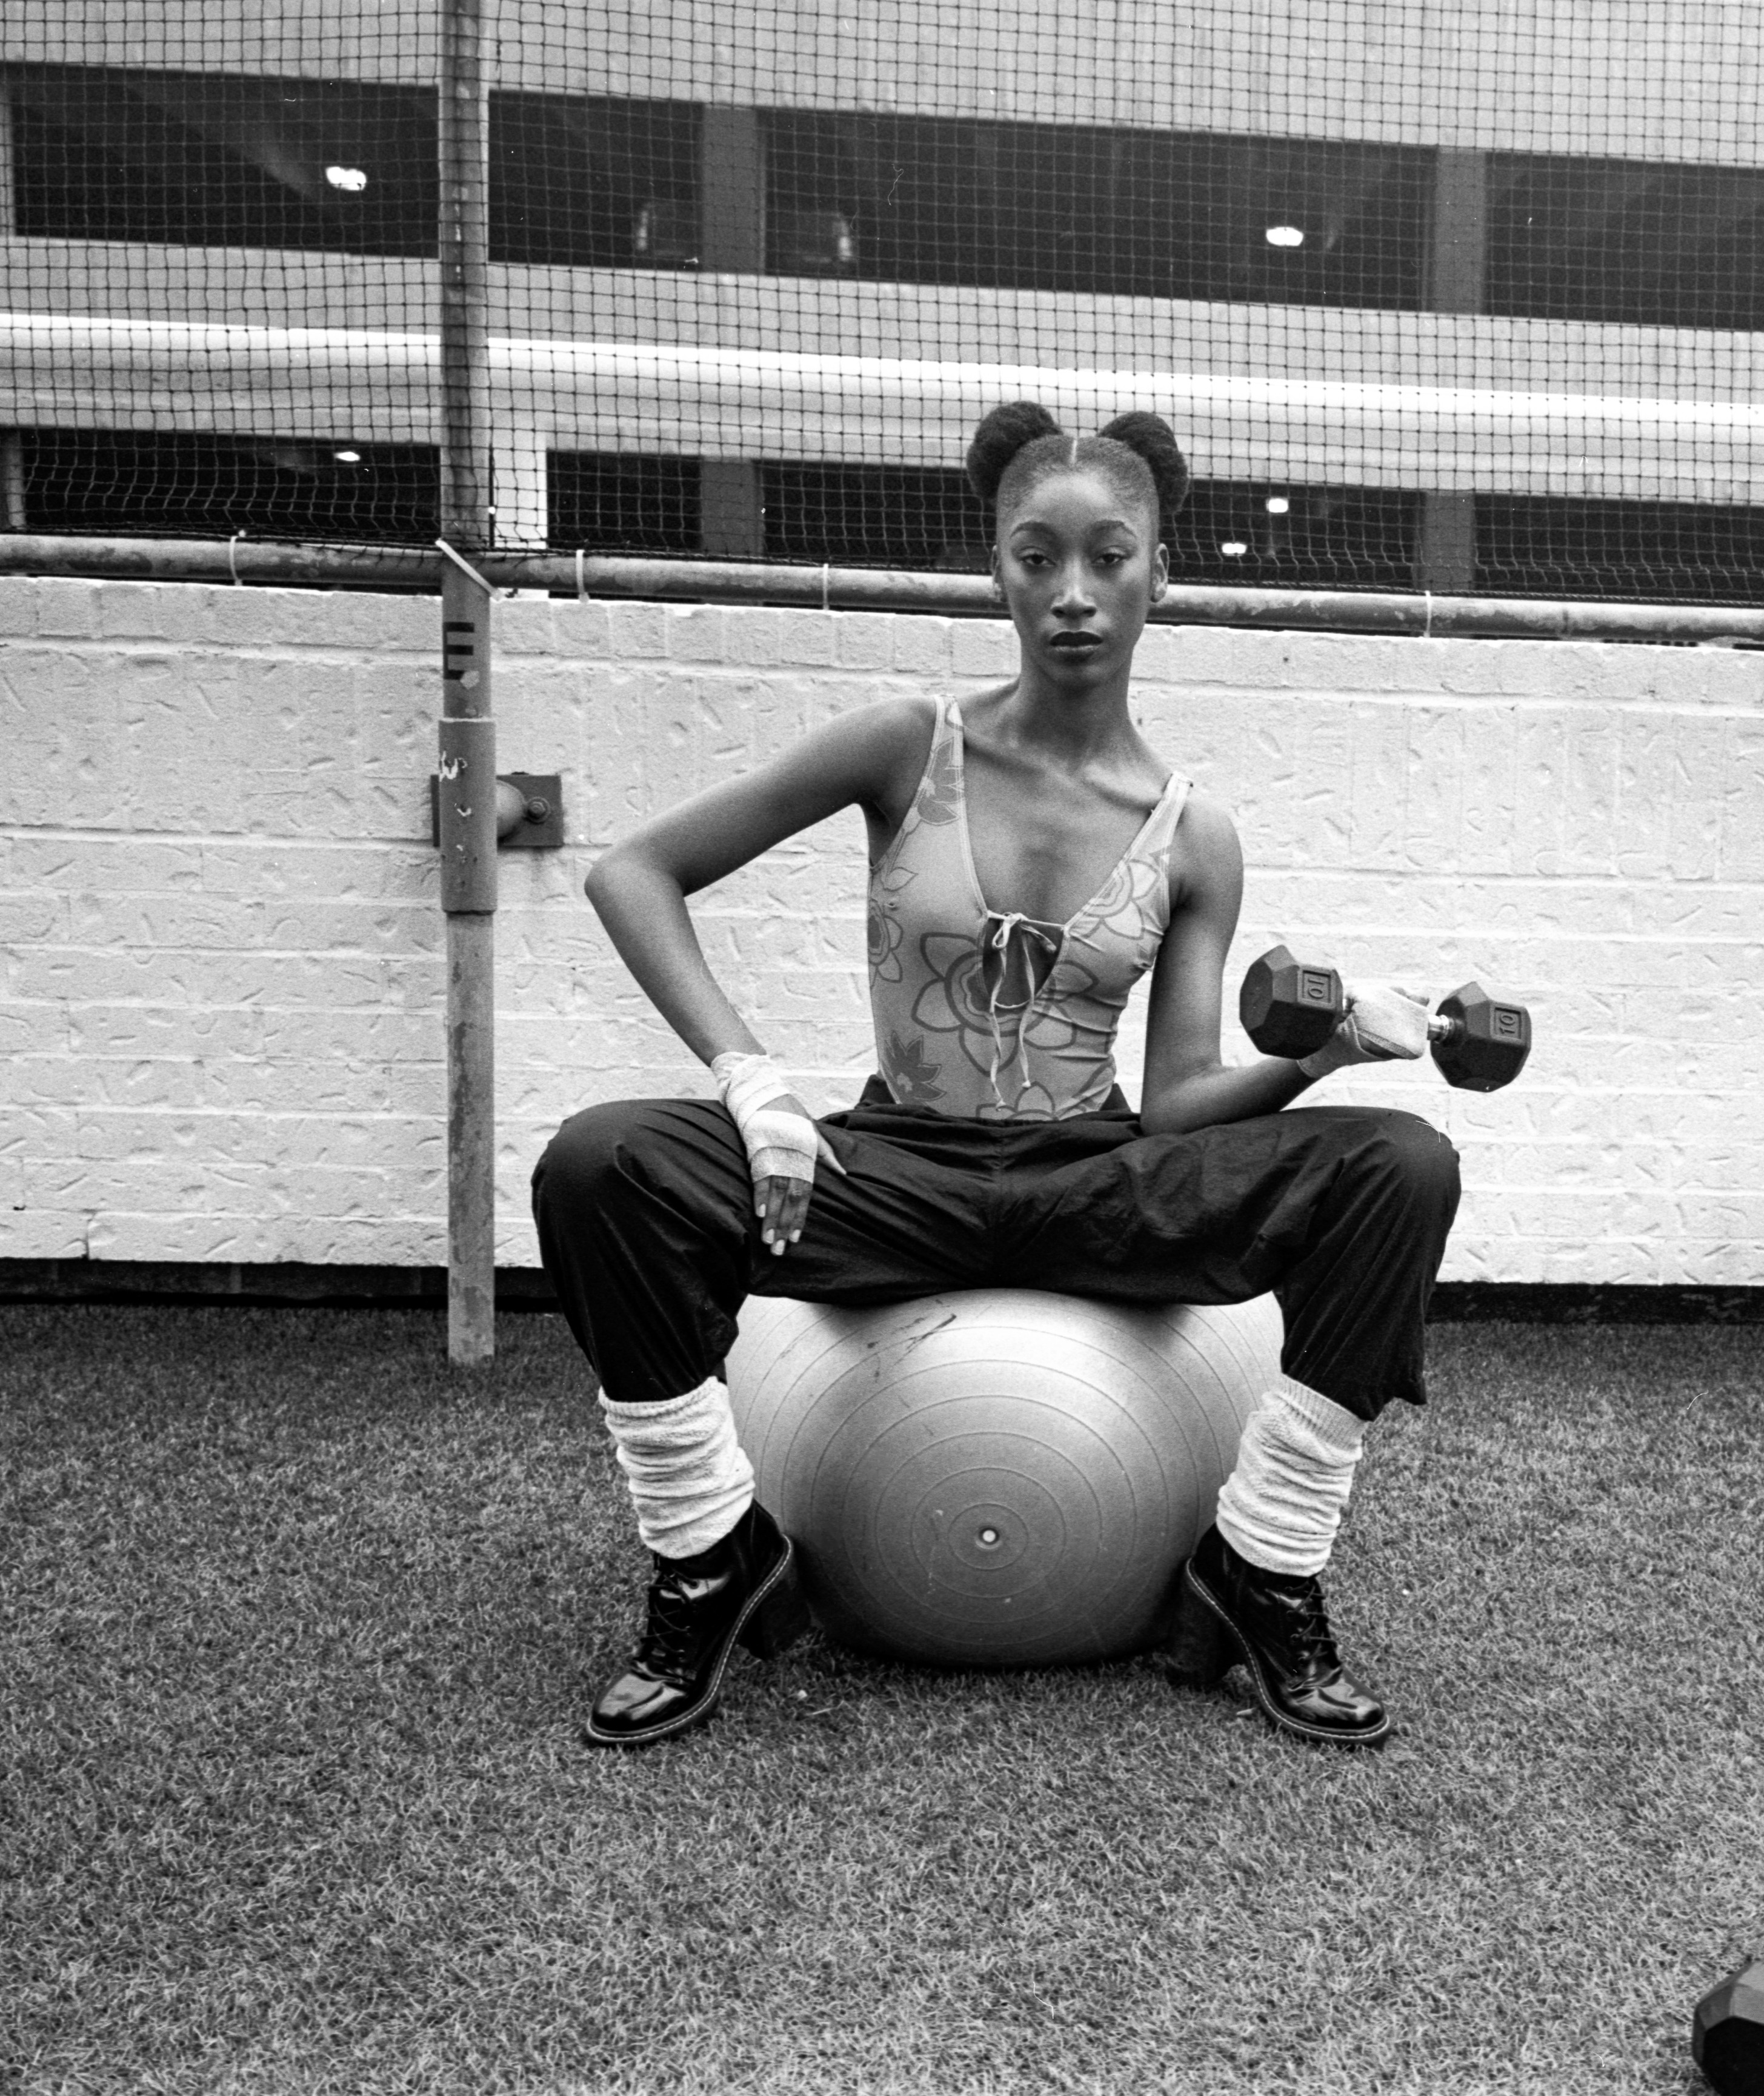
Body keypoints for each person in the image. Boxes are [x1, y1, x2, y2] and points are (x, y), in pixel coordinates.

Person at [534, 401, 1460, 1752]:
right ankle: (709, 1553)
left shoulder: (1193, 830)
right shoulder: (904, 745)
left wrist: (1317, 1054)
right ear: (996, 572)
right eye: (1038, 558)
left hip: (1094, 1179)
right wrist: (754, 1086)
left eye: (1107, 557)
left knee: (1402, 1166)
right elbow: (634, 873)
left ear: (1159, 573)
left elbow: (1182, 1098)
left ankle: (1260, 1565)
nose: (1072, 594)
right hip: (892, 1170)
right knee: (597, 1164)